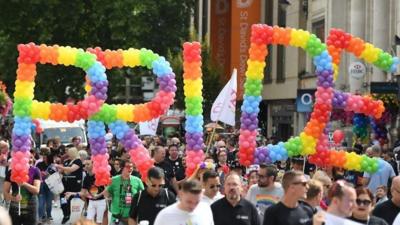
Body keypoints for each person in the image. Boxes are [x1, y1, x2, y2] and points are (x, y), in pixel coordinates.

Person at [3, 152, 41, 225]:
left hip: (31, 208)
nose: (28, 160)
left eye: (30, 157)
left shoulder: (35, 171)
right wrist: (14, 198)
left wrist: (24, 184)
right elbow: (5, 193)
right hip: (15, 208)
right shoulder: (11, 172)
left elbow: (36, 190)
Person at [66, 159, 107, 225]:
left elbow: (106, 189)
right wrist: (72, 193)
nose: (86, 166)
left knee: (99, 222)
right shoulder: (86, 178)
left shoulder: (99, 175)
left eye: (88, 164)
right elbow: (83, 192)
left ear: (93, 165)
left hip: (101, 202)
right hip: (91, 202)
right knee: (89, 221)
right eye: (84, 165)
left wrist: (99, 195)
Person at [106, 160, 144, 225]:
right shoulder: (113, 180)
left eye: (132, 167)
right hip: (117, 218)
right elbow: (107, 194)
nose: (131, 168)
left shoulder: (137, 181)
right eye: (128, 166)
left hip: (131, 218)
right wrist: (107, 194)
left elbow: (143, 195)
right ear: (122, 167)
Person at [55, 147, 84, 224]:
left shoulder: (78, 161)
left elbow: (71, 169)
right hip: (65, 185)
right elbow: (63, 171)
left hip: (74, 185)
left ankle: (74, 218)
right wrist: (58, 169)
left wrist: (61, 167)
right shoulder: (67, 161)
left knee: (73, 202)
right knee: (63, 201)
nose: (67, 154)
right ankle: (66, 215)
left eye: (69, 152)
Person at [36, 147, 55, 224]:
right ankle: (41, 217)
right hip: (41, 185)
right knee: (41, 203)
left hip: (50, 185)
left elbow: (56, 175)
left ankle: (49, 216)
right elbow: (36, 173)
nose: (43, 157)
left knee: (49, 203)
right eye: (43, 155)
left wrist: (48, 174)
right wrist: (40, 173)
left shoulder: (53, 165)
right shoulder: (39, 164)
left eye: (45, 156)